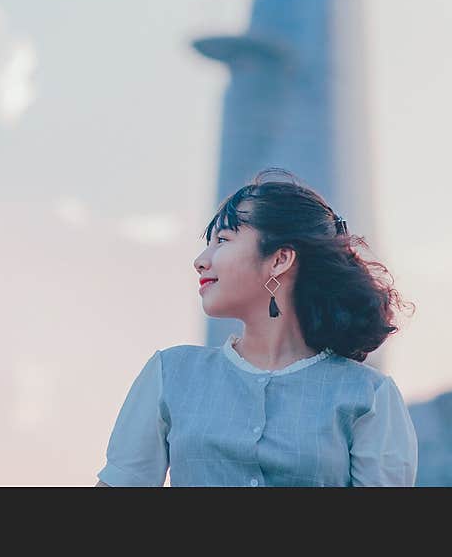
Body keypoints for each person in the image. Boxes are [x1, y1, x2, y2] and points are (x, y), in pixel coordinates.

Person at [95, 167, 418, 487]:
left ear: (279, 260)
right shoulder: (171, 372)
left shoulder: (369, 395)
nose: (201, 260)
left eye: (222, 240)